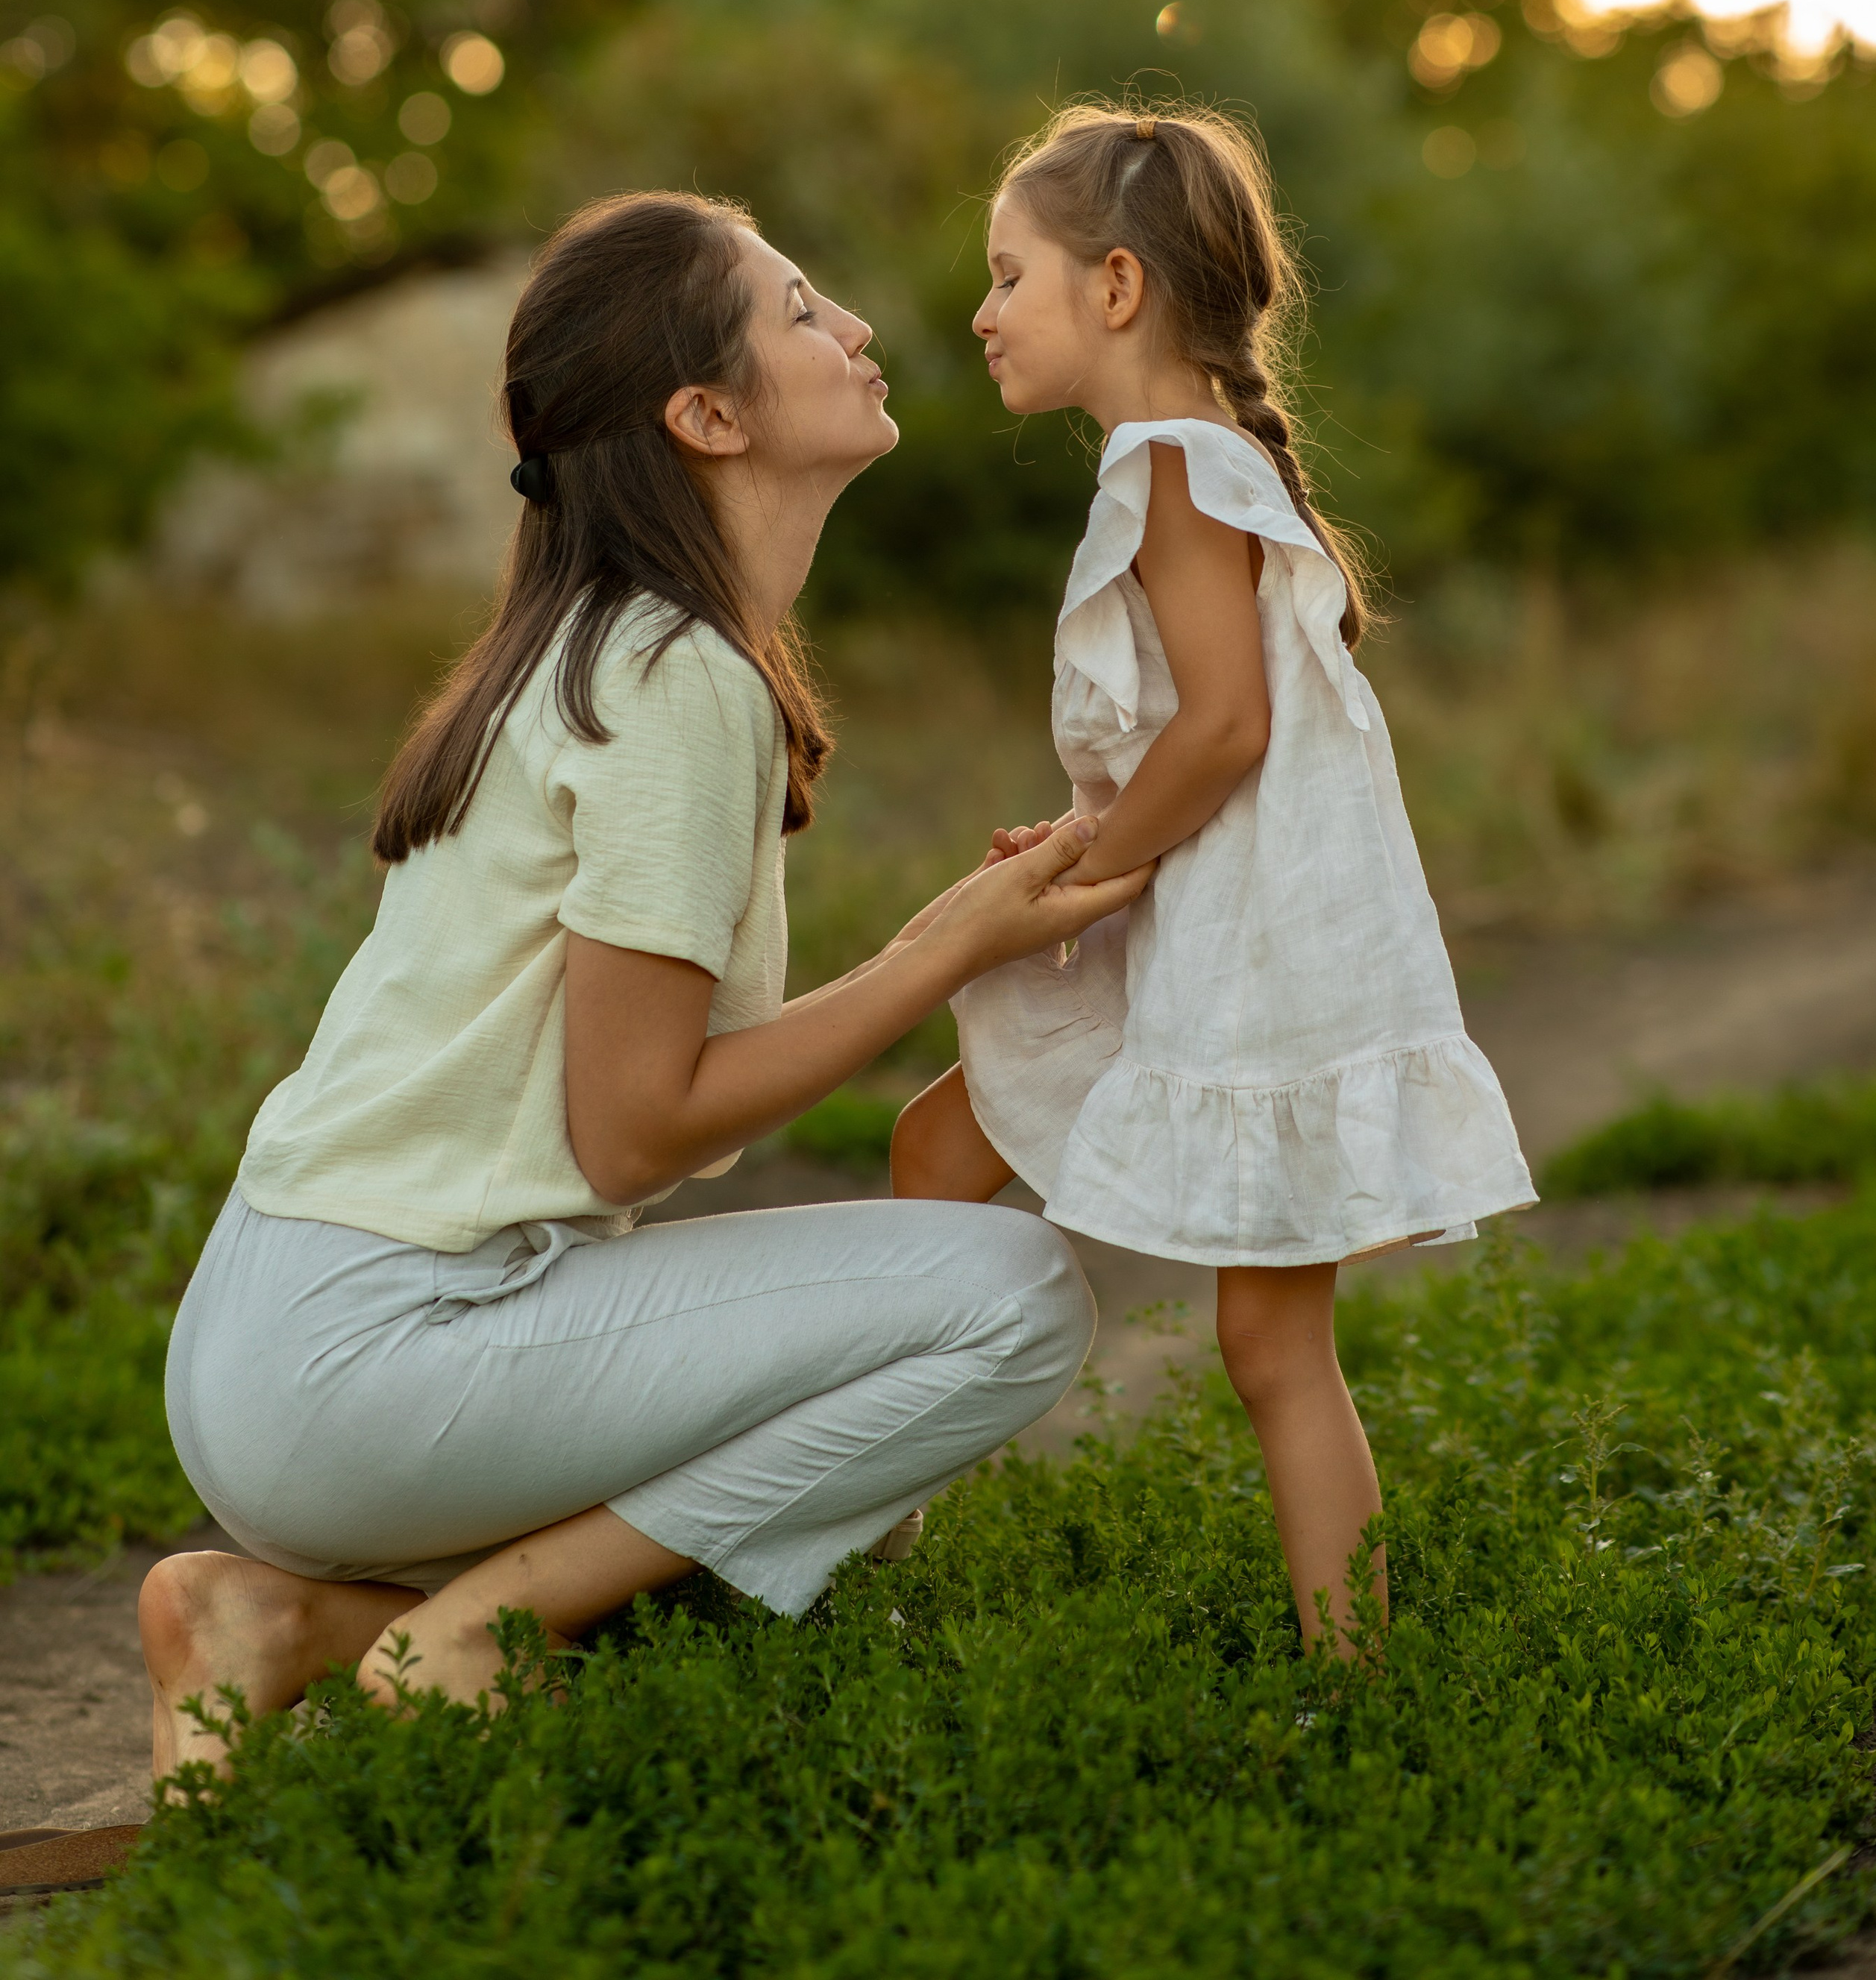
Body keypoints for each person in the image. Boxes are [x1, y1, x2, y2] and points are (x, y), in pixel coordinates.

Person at [142, 190, 1149, 1777]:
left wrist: (961, 940)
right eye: (804, 311)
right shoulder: (673, 683)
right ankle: (475, 1633)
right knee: (1008, 1300)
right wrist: (942, 947)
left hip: (272, 1340)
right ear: (706, 414)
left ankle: (286, 1621)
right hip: (373, 1352)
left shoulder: (602, 646)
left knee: (790, 1425)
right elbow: (632, 1134)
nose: (863, 332)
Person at [890, 105, 1534, 1646]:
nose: (979, 313)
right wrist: (1077, 834)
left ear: (1113, 287)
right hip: (1187, 913)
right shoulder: (1189, 460)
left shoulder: (1174, 464)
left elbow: (1228, 726)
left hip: (1248, 952)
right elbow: (1192, 727)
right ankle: (875, 1546)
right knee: (935, 1153)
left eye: (1004, 277)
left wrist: (1089, 868)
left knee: (1266, 1343)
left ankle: (1352, 1676)